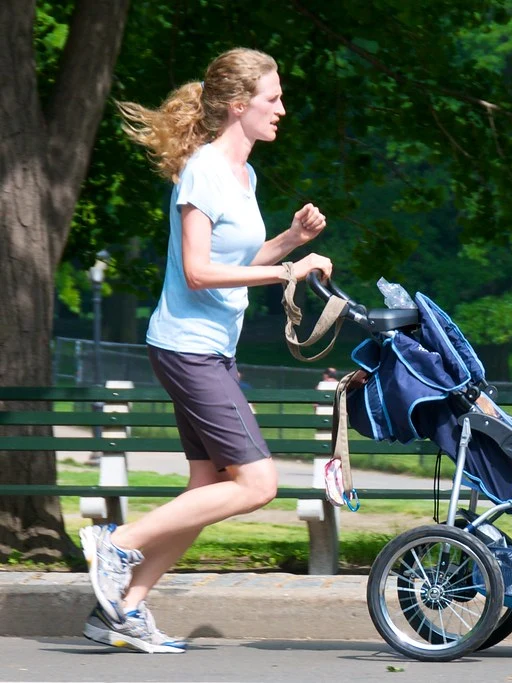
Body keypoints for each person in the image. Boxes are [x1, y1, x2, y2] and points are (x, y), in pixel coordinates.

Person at [77, 48, 333, 654]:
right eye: (273, 100)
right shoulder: (204, 171)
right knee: (258, 483)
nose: (282, 110)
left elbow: (236, 263)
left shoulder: (243, 176)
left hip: (211, 351)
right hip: (186, 348)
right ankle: (114, 545)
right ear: (239, 106)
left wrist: (289, 242)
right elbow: (196, 271)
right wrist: (288, 272)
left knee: (203, 490)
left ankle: (122, 611)